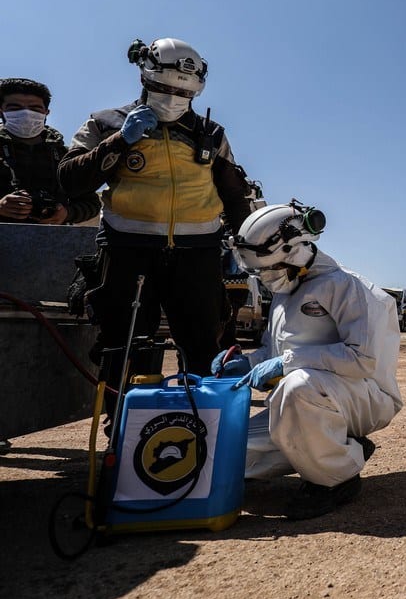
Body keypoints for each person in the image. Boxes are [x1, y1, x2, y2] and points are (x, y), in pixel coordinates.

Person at [59, 38, 253, 422]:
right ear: (145, 77)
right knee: (125, 348)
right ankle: (123, 436)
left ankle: (204, 433)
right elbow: (69, 179)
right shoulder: (106, 121)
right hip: (128, 252)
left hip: (197, 256)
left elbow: (234, 194)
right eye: (164, 88)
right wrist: (120, 140)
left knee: (204, 346)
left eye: (183, 91)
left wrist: (247, 242)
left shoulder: (211, 133)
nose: (173, 97)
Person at [217, 201, 402, 520]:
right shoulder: (285, 290)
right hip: (309, 400)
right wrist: (247, 364)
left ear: (296, 250)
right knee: (229, 455)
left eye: (269, 269)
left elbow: (362, 360)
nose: (265, 277)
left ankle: (335, 479)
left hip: (362, 397)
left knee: (297, 385)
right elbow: (274, 351)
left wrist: (286, 364)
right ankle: (342, 446)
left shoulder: (344, 286)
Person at [0, 78, 99, 225]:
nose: (26, 114)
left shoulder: (65, 156)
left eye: (35, 109)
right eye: (15, 108)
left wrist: (66, 213)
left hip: (52, 241)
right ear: (1, 111)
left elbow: (91, 204)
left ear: (46, 112)